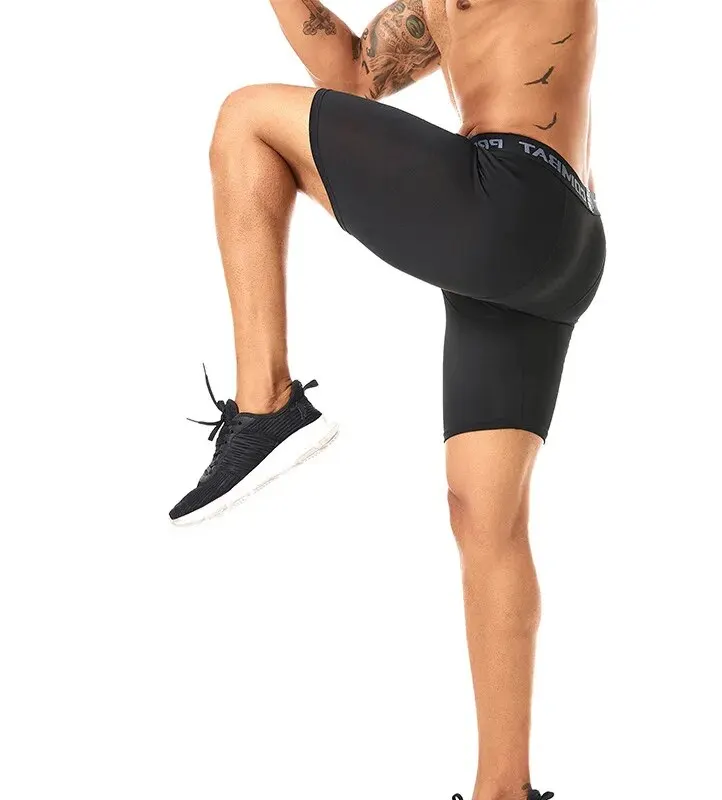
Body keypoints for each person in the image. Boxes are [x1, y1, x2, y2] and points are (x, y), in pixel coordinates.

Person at [170, 0, 605, 797]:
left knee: (247, 120)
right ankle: (504, 789)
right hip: (548, 246)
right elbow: (348, 78)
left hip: (509, 197)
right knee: (483, 516)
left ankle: (266, 405)